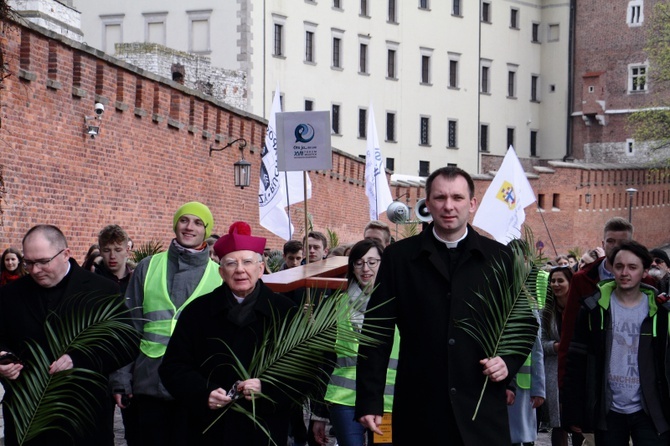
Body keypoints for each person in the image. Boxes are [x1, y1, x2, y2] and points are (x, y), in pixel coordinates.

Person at [355, 166, 537, 445]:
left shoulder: (500, 258)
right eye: (440, 198)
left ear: (472, 204)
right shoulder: (399, 258)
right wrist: (369, 399)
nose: (449, 206)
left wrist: (508, 361)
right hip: (421, 406)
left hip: (481, 406)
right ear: (427, 204)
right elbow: (377, 332)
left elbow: (524, 322)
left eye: (457, 198)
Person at [159, 221, 298, 445]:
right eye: (231, 263)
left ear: (260, 268)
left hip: (264, 427)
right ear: (221, 271)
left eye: (247, 262)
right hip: (208, 427)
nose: (240, 269)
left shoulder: (285, 311)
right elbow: (173, 367)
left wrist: (267, 387)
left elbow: (303, 370)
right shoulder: (197, 312)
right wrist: (203, 393)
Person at [0, 225, 137, 445]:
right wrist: (3, 359)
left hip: (84, 417)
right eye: (29, 262)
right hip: (29, 416)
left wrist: (78, 359)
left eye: (43, 262)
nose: (35, 270)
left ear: (65, 254)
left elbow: (125, 343)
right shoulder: (9, 294)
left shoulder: (101, 290)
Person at [109, 202, 222, 446]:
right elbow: (129, 327)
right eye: (184, 220)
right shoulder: (148, 266)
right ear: (175, 224)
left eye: (198, 222)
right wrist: (121, 379)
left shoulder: (219, 274)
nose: (189, 227)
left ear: (206, 230)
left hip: (195, 386)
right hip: (149, 381)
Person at [562, 241, 670, 445]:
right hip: (608, 409)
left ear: (645, 270)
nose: (624, 272)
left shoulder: (661, 311)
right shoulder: (593, 308)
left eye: (632, 267)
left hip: (650, 409)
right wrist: (573, 411)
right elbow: (576, 361)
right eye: (619, 266)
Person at [313, 239, 399, 446]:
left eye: (372, 262)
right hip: (344, 400)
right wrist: (318, 414)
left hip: (388, 401)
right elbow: (323, 360)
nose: (365, 268)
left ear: (383, 264)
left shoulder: (399, 303)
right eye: (359, 263)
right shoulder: (334, 304)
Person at [558, 218, 634, 389]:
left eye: (622, 242)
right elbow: (568, 333)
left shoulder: (647, 281)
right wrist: (564, 385)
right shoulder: (582, 279)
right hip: (591, 367)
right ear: (603, 243)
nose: (615, 246)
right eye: (611, 241)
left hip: (631, 368)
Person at [541, 266, 582, 446]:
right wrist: (557, 346)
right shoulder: (546, 312)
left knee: (579, 421)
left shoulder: (581, 308)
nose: (555, 285)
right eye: (553, 281)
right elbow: (540, 343)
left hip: (576, 369)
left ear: (570, 282)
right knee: (558, 424)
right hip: (553, 370)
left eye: (560, 281)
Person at [507, 329, 545, 446]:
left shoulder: (528, 312)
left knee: (518, 435)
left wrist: (539, 389)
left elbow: (537, 353)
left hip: (521, 389)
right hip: (496, 385)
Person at [96, 225, 133, 294]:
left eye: (118, 250)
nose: (112, 256)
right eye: (107, 250)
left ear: (127, 251)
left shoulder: (137, 279)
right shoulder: (92, 280)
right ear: (100, 252)